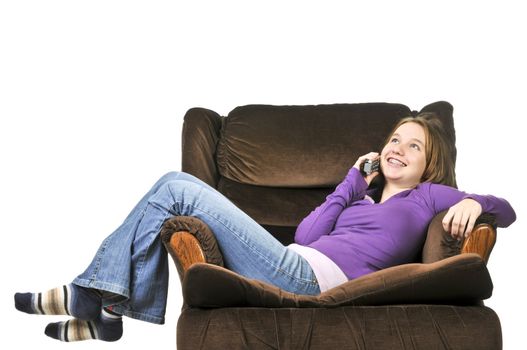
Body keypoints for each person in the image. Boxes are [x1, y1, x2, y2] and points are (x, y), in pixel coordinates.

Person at [14, 112, 516, 343]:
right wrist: (349, 181)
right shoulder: (359, 196)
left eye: (413, 146)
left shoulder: (428, 194)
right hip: (297, 263)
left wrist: (476, 202)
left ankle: (98, 299)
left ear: (430, 165)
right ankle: (107, 307)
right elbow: (305, 236)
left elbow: (507, 208)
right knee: (169, 200)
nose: (398, 149)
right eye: (394, 139)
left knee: (174, 185)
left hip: (310, 283)